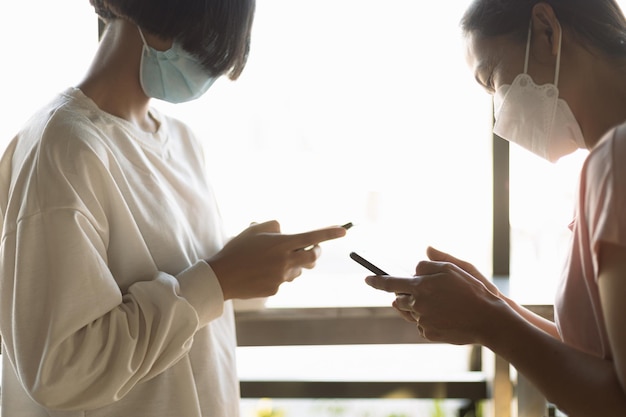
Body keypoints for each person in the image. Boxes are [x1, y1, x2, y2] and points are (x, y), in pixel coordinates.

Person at [0, 1, 347, 416]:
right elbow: (58, 371)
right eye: (213, 44)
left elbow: (193, 299)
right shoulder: (64, 148)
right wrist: (220, 278)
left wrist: (252, 267)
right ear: (165, 22)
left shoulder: (181, 142)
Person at [365, 1, 626, 416]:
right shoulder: (606, 164)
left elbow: (618, 400)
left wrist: (489, 323)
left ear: (546, 31)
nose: (498, 113)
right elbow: (598, 358)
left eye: (492, 79)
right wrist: (490, 304)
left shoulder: (615, 160)